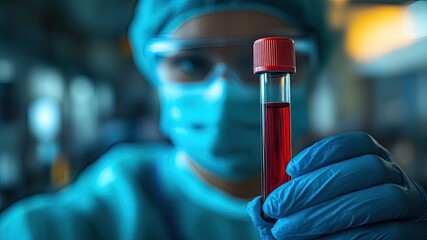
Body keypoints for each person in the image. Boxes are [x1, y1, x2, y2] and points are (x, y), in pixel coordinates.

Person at [1, 0, 426, 239]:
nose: (222, 91)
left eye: (253, 62)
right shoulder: (72, 225)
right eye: (190, 64)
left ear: (312, 70)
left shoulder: (370, 203)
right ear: (153, 75)